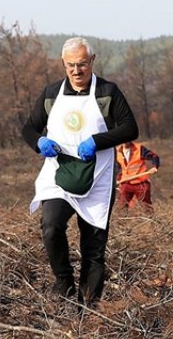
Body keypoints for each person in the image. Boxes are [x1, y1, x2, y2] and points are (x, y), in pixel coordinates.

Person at [22, 37, 138, 306]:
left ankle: (88, 309)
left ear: (92, 61)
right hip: (59, 173)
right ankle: (63, 282)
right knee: (51, 226)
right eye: (71, 65)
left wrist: (97, 142)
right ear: (63, 64)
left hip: (98, 175)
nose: (77, 70)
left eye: (82, 64)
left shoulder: (108, 92)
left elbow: (130, 128)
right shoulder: (51, 94)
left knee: (93, 248)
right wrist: (39, 142)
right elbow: (28, 127)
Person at [116, 141, 160, 209]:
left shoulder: (139, 149)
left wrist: (155, 166)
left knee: (146, 207)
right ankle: (122, 219)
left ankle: (149, 219)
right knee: (121, 207)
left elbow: (154, 156)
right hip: (126, 183)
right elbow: (118, 168)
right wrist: (117, 180)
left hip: (141, 183)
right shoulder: (117, 152)